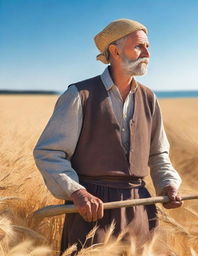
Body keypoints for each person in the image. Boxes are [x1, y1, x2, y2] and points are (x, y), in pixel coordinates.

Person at [33, 18, 182, 253]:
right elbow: (49, 152)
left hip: (139, 206)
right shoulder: (79, 94)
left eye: (147, 47)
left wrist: (168, 185)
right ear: (114, 50)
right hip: (91, 209)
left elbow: (158, 153)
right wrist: (77, 192)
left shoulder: (149, 97)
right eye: (139, 46)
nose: (147, 54)